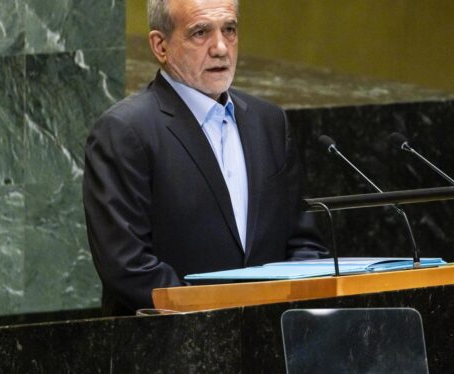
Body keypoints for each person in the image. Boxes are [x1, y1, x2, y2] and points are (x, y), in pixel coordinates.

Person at [83, 0, 327, 315]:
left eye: (230, 30)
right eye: (201, 32)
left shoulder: (269, 122)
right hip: (173, 347)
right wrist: (219, 318)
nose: (221, 48)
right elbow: (128, 268)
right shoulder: (124, 132)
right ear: (160, 46)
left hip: (271, 342)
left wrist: (289, 306)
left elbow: (304, 243)